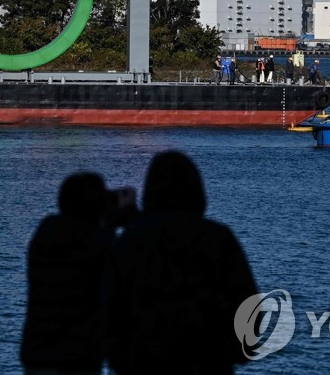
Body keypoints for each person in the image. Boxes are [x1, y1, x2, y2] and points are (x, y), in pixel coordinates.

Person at [107, 151, 258, 375]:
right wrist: (236, 353)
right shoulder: (218, 238)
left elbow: (110, 310)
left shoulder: (129, 241)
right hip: (208, 364)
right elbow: (248, 303)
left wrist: (121, 362)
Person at [21, 172, 136, 375]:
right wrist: (127, 217)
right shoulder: (99, 245)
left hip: (38, 359)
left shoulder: (45, 236)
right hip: (77, 361)